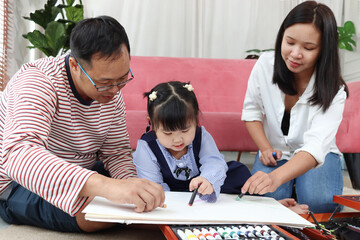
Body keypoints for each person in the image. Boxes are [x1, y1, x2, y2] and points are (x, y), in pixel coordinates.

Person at [0, 16, 165, 233]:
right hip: (18, 183)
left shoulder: (111, 93)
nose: (115, 90)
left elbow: (116, 153)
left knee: (143, 191)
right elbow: (18, 155)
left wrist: (131, 186)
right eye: (104, 83)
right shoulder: (38, 81)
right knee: (95, 216)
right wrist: (108, 187)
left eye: (123, 79)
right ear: (75, 65)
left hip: (80, 171)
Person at [133, 81, 309, 213]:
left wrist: (208, 179)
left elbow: (214, 162)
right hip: (170, 195)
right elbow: (154, 186)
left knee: (237, 175)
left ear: (195, 119)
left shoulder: (202, 136)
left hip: (205, 190)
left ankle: (270, 209)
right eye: (168, 133)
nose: (178, 140)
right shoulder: (146, 147)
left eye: (185, 130)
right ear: (153, 125)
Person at [241, 1, 348, 213]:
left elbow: (315, 147)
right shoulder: (265, 64)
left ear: (323, 50)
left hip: (319, 156)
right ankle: (292, 190)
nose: (295, 54)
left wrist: (275, 178)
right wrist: (265, 148)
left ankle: (297, 188)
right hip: (277, 153)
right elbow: (251, 112)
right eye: (290, 42)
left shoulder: (334, 90)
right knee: (266, 199)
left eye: (308, 48)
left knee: (320, 203)